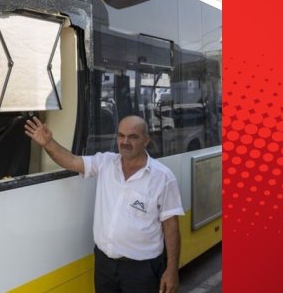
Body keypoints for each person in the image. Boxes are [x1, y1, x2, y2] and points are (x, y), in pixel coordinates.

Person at [24, 115, 183, 293]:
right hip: (105, 265)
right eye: (121, 136)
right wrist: (48, 143)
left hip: (142, 270)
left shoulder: (162, 177)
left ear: (146, 140)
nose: (125, 142)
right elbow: (71, 161)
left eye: (133, 137)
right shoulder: (106, 163)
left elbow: (171, 228)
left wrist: (172, 271)